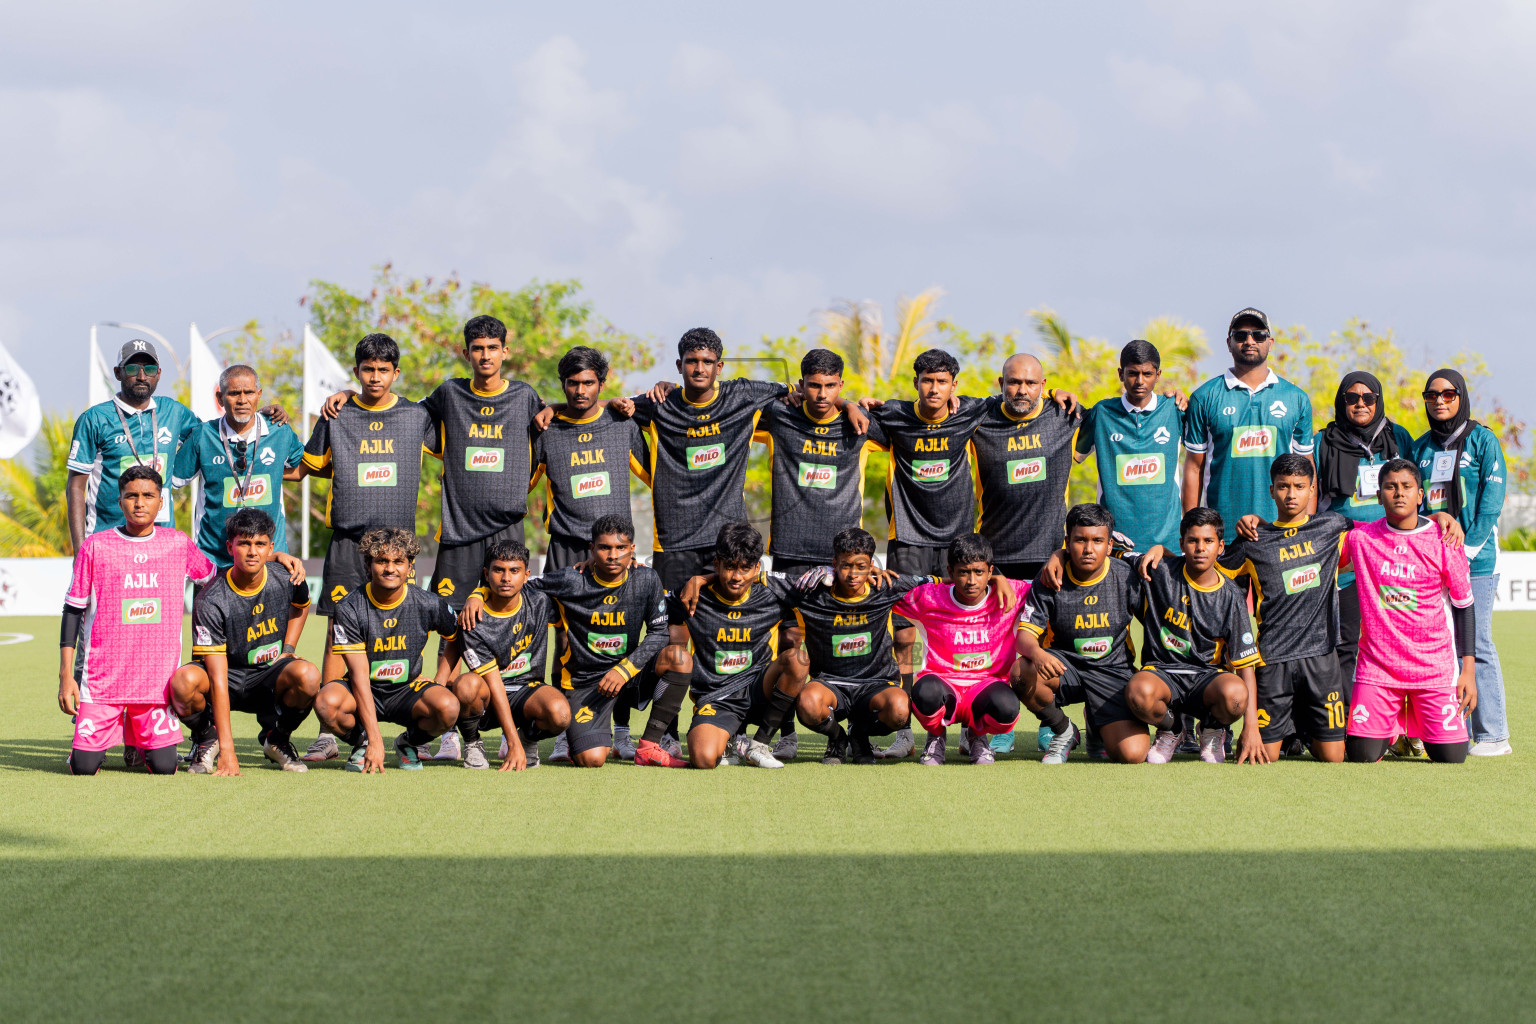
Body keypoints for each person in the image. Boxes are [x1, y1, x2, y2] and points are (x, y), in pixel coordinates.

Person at [1227, 455, 1466, 762]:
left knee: (1336, 757)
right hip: (1274, 659)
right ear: (1271, 490)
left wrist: (1436, 517)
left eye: (1299, 486)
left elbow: (1391, 526)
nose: (1291, 494)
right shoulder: (1254, 539)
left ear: (1313, 490)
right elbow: (1213, 575)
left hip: (1321, 659)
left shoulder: (1333, 526)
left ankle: (1307, 731)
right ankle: (1283, 731)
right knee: (1265, 757)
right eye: (1283, 487)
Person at [297, 333, 434, 761]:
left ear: (396, 373)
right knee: (339, 630)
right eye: (367, 370)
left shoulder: (417, 416)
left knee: (409, 630)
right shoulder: (336, 415)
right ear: (356, 372)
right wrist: (275, 426)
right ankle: (327, 733)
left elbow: (469, 435)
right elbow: (303, 469)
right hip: (348, 543)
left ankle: (415, 727)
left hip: (397, 547)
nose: (375, 378)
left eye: (383, 370)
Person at [464, 514, 686, 768]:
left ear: (632, 550)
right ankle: (576, 738)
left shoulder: (647, 579)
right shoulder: (572, 579)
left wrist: (624, 670)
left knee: (679, 657)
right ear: (591, 549)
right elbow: (518, 583)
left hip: (630, 671)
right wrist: (478, 593)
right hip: (586, 682)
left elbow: (659, 633)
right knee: (591, 759)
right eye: (604, 547)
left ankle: (649, 745)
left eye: (621, 548)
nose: (613, 555)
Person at [57, 465, 217, 775]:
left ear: (161, 501)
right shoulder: (96, 546)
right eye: (131, 496)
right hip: (103, 683)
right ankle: (103, 740)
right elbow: (73, 609)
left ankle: (137, 736)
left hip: (155, 686)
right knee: (83, 767)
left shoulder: (177, 543)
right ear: (120, 502)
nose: (139, 503)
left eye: (148, 496)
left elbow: (214, 579)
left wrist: (273, 560)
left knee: (165, 767)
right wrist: (67, 675)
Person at [1342, 459, 1475, 764]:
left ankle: (1413, 727)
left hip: (1433, 669)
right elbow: (1314, 529)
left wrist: (1468, 670)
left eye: (1406, 487)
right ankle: (1390, 728)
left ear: (1420, 495)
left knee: (1452, 757)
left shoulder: (1445, 540)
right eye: (1390, 487)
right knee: (1362, 755)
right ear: (1379, 496)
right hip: (1378, 669)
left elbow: (1464, 606)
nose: (1398, 493)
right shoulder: (1361, 539)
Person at [1111, 508, 1264, 764]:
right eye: (1193, 541)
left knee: (1237, 695)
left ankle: (1212, 729)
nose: (1200, 548)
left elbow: (1246, 666)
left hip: (1208, 679)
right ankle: (1171, 730)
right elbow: (1110, 551)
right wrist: (1060, 554)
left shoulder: (1231, 596)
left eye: (1208, 541)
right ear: (1182, 544)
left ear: (1221, 546)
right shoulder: (1159, 571)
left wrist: (1252, 727)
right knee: (1138, 691)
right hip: (1162, 673)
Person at [175, 508, 321, 774]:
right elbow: (218, 678)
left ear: (270, 548)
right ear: (230, 546)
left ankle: (277, 739)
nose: (252, 551)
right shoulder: (210, 599)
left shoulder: (287, 576)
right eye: (244, 543)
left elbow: (300, 606)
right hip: (226, 678)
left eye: (260, 544)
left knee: (308, 675)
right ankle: (208, 738)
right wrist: (229, 751)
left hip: (268, 676)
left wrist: (288, 649)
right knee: (183, 682)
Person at [1413, 369, 1510, 757]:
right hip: (1433, 563)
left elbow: (1491, 501)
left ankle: (1493, 735)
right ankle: (1453, 729)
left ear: (1461, 396)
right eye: (1432, 394)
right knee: (1443, 646)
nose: (1440, 400)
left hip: (1477, 559)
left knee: (1477, 642)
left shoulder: (1483, 440)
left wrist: (1466, 550)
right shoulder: (1420, 448)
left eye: (1449, 394)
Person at [312, 528, 462, 772]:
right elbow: (359, 675)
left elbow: (456, 637)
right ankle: (362, 743)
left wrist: (440, 681)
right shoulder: (349, 607)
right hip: (364, 688)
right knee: (326, 703)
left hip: (407, 690)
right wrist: (374, 739)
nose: (390, 568)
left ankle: (407, 743)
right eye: (382, 561)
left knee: (448, 707)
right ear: (368, 564)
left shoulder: (427, 602)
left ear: (410, 566)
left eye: (398, 562)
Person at [667, 523, 809, 769]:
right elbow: (647, 599)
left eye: (745, 568)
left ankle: (759, 744)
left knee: (798, 659)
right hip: (717, 696)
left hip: (759, 688)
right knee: (703, 759)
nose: (736, 577)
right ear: (717, 563)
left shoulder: (773, 591)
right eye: (730, 567)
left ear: (757, 568)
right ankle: (729, 737)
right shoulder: (692, 594)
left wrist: (870, 570)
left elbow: (834, 581)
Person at [785, 527, 932, 764]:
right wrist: (703, 578)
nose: (853, 574)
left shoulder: (886, 586)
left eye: (861, 566)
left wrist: (995, 577)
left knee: (900, 711)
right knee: (808, 704)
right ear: (834, 563)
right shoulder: (812, 590)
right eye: (845, 565)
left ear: (872, 565)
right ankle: (837, 737)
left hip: (876, 683)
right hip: (830, 684)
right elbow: (757, 578)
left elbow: (938, 581)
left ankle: (859, 735)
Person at [1312, 372, 1416, 702]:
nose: (1360, 404)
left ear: (1378, 400)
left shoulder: (1399, 438)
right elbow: (1311, 503)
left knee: (1395, 639)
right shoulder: (1322, 441)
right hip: (1342, 558)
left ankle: (1398, 726)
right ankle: (1343, 723)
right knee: (1344, 642)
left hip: (1392, 555)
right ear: (1341, 402)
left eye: (1368, 398)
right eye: (1352, 398)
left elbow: (1416, 493)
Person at [1011, 503, 1140, 764]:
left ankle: (1096, 723)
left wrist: (1159, 549)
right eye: (1080, 540)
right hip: (1065, 669)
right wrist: (1036, 652)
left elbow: (1168, 567)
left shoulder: (1127, 576)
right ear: (1068, 542)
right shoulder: (1049, 577)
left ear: (1109, 545)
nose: (1089, 549)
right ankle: (1063, 729)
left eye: (1097, 541)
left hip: (1113, 672)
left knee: (1132, 754)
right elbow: (1023, 635)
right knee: (1020, 672)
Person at [1181, 308, 1314, 540]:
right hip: (1221, 536)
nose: (1249, 341)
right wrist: (1193, 533)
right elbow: (1193, 468)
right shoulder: (1204, 396)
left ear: (1270, 342)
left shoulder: (1296, 397)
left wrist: (1306, 529)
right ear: (1228, 342)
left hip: (1281, 532)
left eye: (1258, 335)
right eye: (1240, 335)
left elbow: (1307, 468)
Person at [892, 533, 1023, 766]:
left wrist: (1059, 555)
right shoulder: (929, 598)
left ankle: (976, 735)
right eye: (963, 572)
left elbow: (1051, 584)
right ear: (950, 572)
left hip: (986, 686)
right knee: (924, 693)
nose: (971, 580)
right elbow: (886, 588)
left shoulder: (1012, 593)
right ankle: (935, 737)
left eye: (979, 572)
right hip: (942, 684)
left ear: (991, 571)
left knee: (1007, 708)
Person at [451, 538, 570, 770]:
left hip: (527, 690)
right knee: (465, 685)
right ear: (486, 574)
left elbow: (575, 578)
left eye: (514, 571)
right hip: (489, 697)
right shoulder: (473, 619)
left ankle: (528, 739)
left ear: (526, 575)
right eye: (499, 570)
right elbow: (495, 685)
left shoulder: (540, 600)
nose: (506, 578)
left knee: (561, 714)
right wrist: (511, 742)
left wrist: (592, 562)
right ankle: (473, 742)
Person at [172, 365, 306, 568]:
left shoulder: (280, 431)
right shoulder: (203, 435)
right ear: (220, 398)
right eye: (234, 393)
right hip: (214, 562)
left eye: (249, 392)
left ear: (259, 394)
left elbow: (303, 468)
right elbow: (169, 480)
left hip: (269, 560)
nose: (242, 400)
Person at [531, 345, 651, 571]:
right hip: (565, 548)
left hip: (614, 548)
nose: (580, 390)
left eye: (588, 383)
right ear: (563, 385)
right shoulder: (546, 430)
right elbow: (520, 486)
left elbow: (656, 477)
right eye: (573, 383)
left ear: (601, 385)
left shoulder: (622, 424)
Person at [970, 354, 1079, 582]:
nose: (1022, 390)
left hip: (1051, 557)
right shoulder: (979, 417)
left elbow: (1117, 415)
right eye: (1014, 382)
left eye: (1030, 383)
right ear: (1001, 383)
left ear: (1043, 384)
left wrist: (1173, 399)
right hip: (992, 557)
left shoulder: (1065, 415)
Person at [1075, 340, 1185, 555]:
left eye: (1147, 374)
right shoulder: (1102, 413)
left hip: (1167, 543)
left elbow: (1201, 459)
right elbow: (1071, 455)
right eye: (1133, 373)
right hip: (1113, 543)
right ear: (1120, 374)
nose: (1140, 381)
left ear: (1158, 374)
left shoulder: (1175, 410)